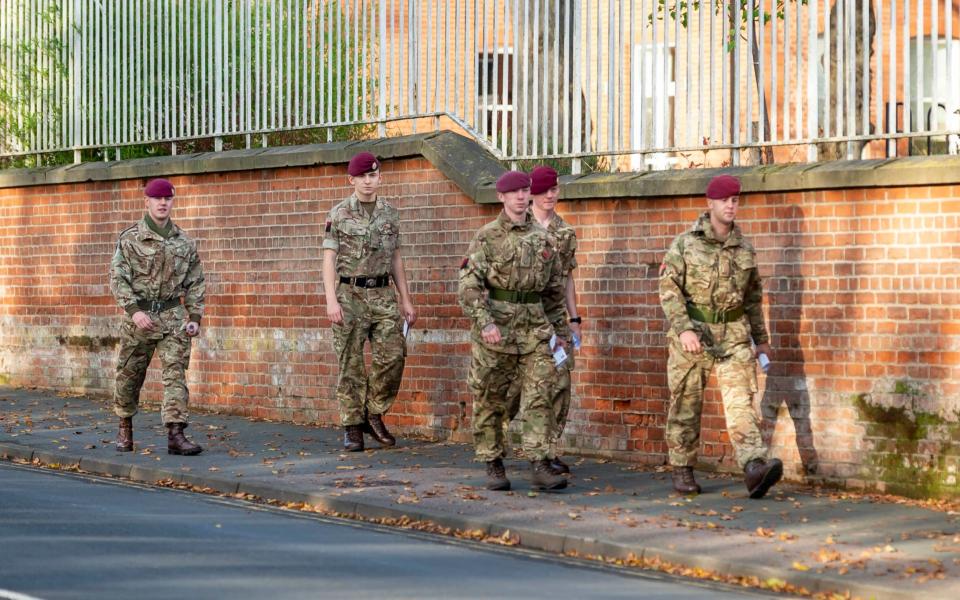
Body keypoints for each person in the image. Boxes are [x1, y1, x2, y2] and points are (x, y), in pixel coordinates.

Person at [658, 174, 783, 499]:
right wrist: (683, 327)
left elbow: (753, 299)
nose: (731, 205)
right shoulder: (686, 243)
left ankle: (754, 467)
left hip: (734, 335)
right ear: (710, 203)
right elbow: (669, 288)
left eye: (735, 200)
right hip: (694, 333)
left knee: (741, 401)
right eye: (725, 200)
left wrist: (762, 340)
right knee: (686, 403)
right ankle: (682, 467)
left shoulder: (744, 249)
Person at [458, 170, 570, 492]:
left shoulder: (545, 239)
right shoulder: (486, 237)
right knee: (491, 399)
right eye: (514, 192)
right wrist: (485, 322)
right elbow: (468, 285)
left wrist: (559, 330)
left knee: (541, 394)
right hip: (497, 329)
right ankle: (493, 462)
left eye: (525, 191)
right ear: (502, 197)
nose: (521, 197)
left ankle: (539, 462)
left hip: (535, 330)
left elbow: (553, 291)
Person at [322, 152, 416, 452]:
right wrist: (331, 300)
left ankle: (373, 413)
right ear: (352, 180)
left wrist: (405, 299)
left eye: (372, 175)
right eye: (362, 176)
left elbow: (396, 258)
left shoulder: (390, 213)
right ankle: (352, 427)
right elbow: (328, 260)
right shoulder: (338, 214)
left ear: (379, 177)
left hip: (383, 295)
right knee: (350, 364)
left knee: (393, 355)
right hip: (349, 297)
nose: (367, 180)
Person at [110, 178, 206, 455]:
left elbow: (196, 281)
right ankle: (124, 426)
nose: (163, 203)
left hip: (173, 317)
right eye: (157, 198)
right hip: (139, 318)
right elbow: (118, 279)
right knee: (129, 375)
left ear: (172, 202)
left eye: (168, 198)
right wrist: (134, 311)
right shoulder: (130, 239)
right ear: (147, 202)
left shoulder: (184, 242)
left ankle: (176, 434)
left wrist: (195, 316)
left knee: (175, 375)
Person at [505, 166, 581, 475]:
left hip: (556, 321)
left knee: (560, 383)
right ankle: (495, 436)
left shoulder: (565, 232)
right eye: (544, 190)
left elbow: (567, 279)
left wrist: (575, 318)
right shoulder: (519, 227)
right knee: (515, 389)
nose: (550, 195)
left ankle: (547, 450)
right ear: (532, 194)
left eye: (555, 189)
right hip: (523, 320)